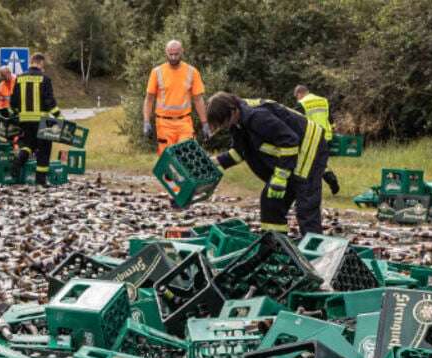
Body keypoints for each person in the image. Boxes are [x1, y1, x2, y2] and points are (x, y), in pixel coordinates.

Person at [206, 93, 328, 235]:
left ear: (233, 111)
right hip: (293, 151)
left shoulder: (257, 117)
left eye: (225, 122)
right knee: (271, 199)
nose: (225, 127)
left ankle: (313, 249)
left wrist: (281, 177)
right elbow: (240, 152)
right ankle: (275, 243)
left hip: (309, 146)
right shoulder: (238, 122)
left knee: (306, 204)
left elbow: (289, 141)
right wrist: (215, 163)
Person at [143, 40, 209, 155]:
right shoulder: (157, 72)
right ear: (166, 52)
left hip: (184, 123)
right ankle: (167, 174)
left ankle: (184, 174)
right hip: (163, 124)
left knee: (187, 154)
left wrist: (205, 123)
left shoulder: (192, 72)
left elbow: (198, 99)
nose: (173, 57)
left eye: (176, 54)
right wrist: (146, 121)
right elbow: (149, 99)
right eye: (170, 54)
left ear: (182, 52)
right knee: (168, 159)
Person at [11, 53, 61, 186]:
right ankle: (41, 181)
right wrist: (58, 116)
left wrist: (16, 114)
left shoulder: (19, 79)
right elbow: (49, 100)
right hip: (42, 120)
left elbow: (13, 101)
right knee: (44, 149)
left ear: (31, 62)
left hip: (25, 121)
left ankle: (19, 161)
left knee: (28, 144)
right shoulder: (45, 79)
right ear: (40, 63)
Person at [293, 84, 340, 195]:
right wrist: (333, 130)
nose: (297, 98)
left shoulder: (302, 103)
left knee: (312, 163)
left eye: (296, 96)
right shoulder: (323, 100)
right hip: (326, 137)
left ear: (300, 93)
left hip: (312, 137)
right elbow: (330, 119)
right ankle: (330, 179)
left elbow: (296, 120)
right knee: (319, 161)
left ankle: (328, 180)